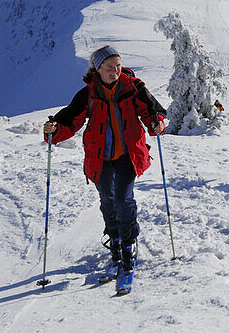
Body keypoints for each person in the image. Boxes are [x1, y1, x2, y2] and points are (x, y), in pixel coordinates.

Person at [43, 45, 166, 282]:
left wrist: (156, 123)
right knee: (107, 201)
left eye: (118, 66)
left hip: (128, 155)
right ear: (97, 69)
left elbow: (151, 111)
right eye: (109, 67)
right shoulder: (88, 94)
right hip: (99, 157)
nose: (115, 71)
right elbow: (70, 119)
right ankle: (115, 240)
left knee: (123, 198)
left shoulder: (133, 87)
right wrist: (53, 130)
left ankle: (128, 246)